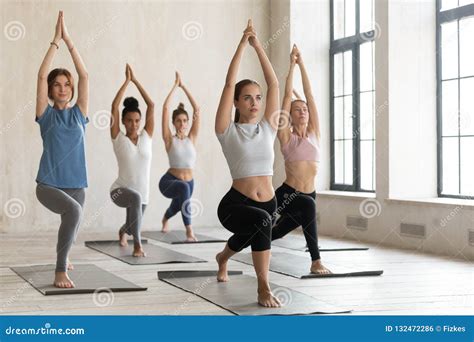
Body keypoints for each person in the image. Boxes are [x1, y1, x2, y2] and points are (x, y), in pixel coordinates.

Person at [214, 20, 281, 307]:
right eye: (247, 98)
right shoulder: (226, 131)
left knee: (258, 226)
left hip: (269, 202)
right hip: (235, 205)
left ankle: (222, 257)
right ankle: (263, 288)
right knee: (258, 223)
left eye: (258, 98)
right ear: (237, 103)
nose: (254, 102)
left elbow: (274, 83)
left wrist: (259, 47)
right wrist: (242, 45)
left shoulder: (269, 127)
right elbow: (229, 83)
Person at [35, 11, 89, 288]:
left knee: (72, 221)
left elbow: (84, 74)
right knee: (75, 214)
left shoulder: (79, 114)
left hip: (77, 185)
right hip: (48, 184)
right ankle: (59, 270)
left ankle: (64, 257)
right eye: (57, 85)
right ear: (50, 90)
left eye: (67, 84)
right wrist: (56, 41)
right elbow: (42, 74)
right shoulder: (45, 115)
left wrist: (70, 40)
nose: (63, 88)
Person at [110, 64, 154, 257]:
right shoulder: (118, 138)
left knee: (131, 225)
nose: (133, 124)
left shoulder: (147, 136)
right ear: (123, 121)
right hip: (119, 191)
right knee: (134, 200)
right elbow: (114, 107)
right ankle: (137, 245)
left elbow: (151, 105)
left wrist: (136, 81)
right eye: (129, 120)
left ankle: (123, 232)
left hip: (143, 193)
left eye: (137, 120)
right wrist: (126, 82)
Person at [159, 72, 200, 242]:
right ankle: (189, 231)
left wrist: (184, 87)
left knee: (178, 205)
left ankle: (165, 218)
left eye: (185, 120)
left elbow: (197, 109)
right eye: (178, 121)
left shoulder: (192, 138)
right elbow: (166, 109)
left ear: (188, 122)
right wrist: (175, 87)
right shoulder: (169, 140)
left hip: (189, 181)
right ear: (174, 123)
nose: (182, 124)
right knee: (182, 191)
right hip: (169, 182)